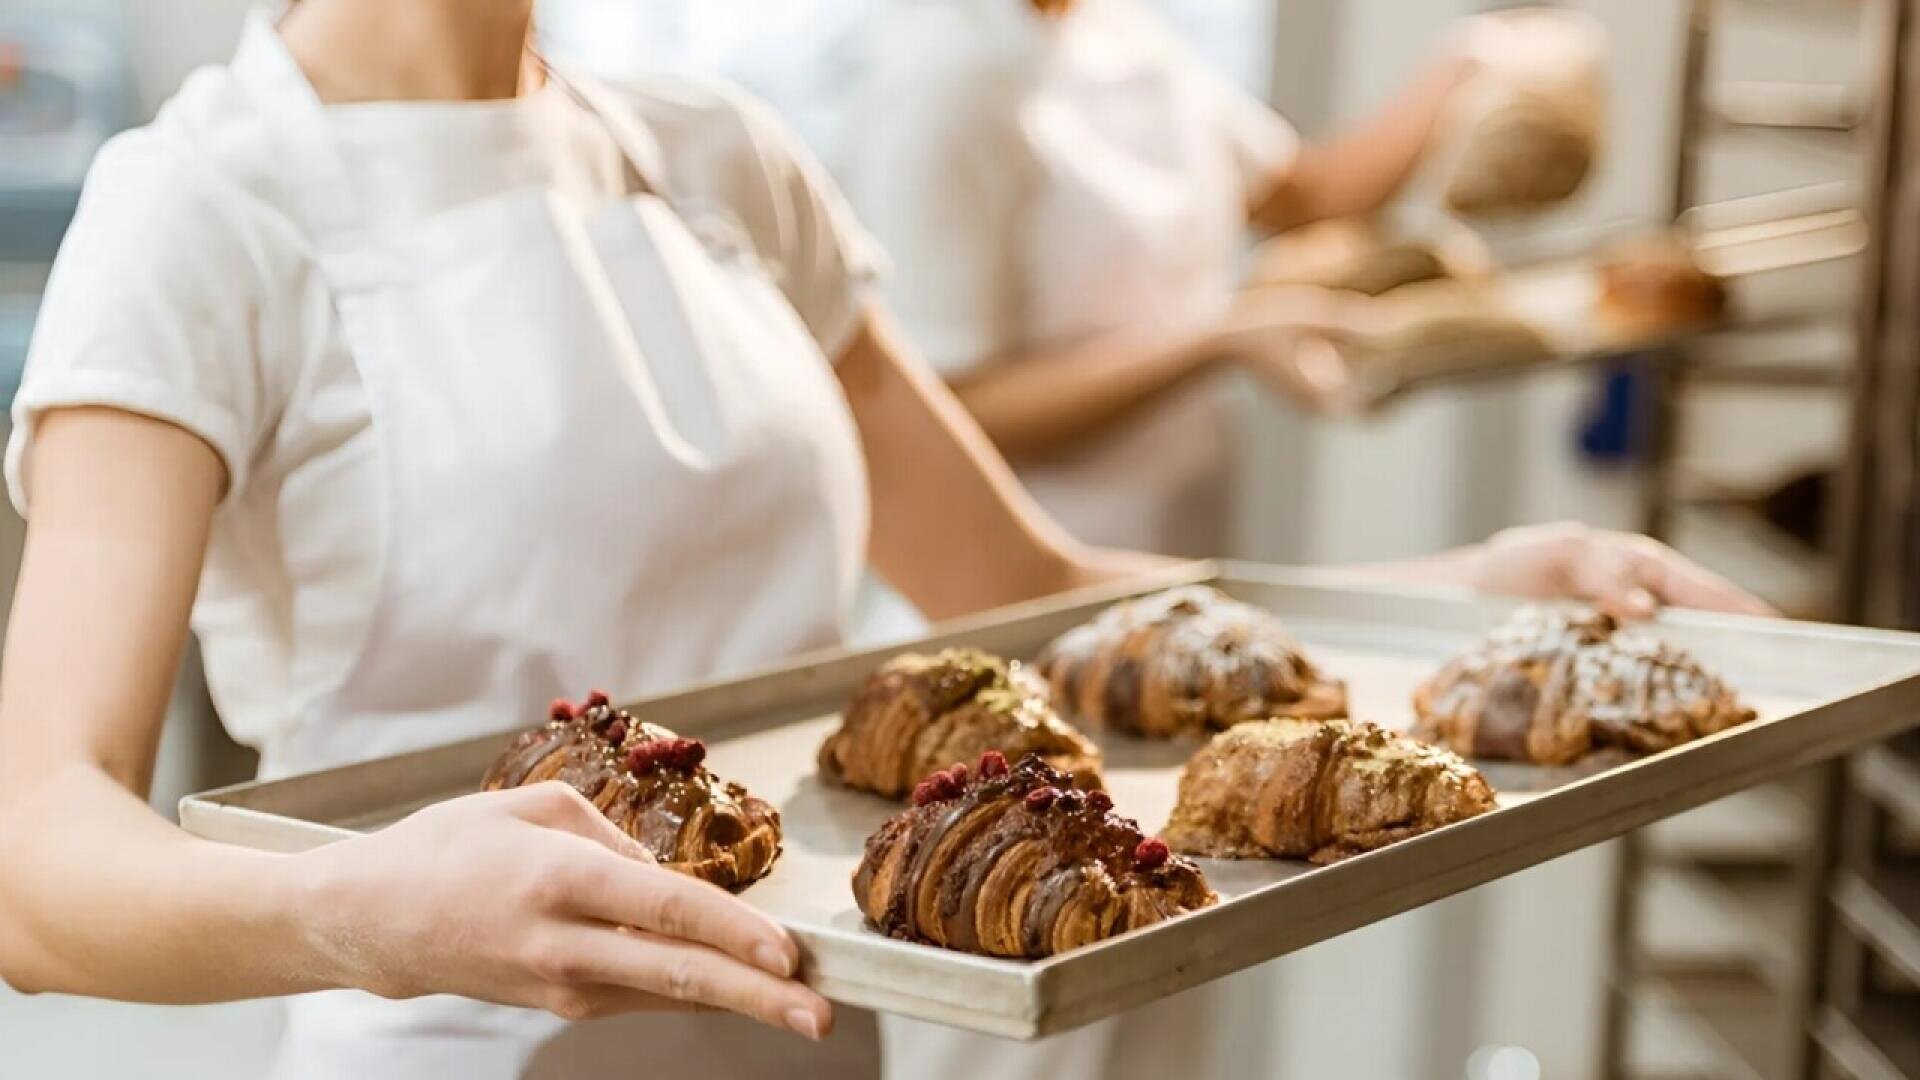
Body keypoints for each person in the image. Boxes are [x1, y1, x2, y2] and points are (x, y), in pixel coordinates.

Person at [0, 1, 1770, 1079]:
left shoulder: (716, 161)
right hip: (449, 1061)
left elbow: (1029, 595)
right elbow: (36, 860)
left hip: (811, 1046)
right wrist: (365, 909)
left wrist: (1459, 601)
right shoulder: (202, 206)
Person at [836, 0, 1496, 559]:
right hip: (1027, 568)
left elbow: (1309, 196)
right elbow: (950, 408)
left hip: (1174, 536)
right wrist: (1218, 341)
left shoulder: (1116, 34)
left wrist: (1467, 64)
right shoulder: (940, 82)